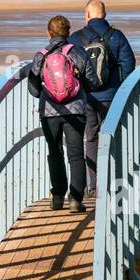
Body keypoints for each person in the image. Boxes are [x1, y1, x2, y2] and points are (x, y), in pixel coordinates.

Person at [71, 0, 136, 195]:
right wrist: (120, 87)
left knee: (91, 138)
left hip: (87, 97)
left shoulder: (76, 38)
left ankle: (95, 186)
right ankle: (114, 185)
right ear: (105, 15)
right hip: (113, 97)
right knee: (114, 138)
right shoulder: (117, 36)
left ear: (87, 15)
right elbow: (129, 64)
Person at [28, 15, 88, 212]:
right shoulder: (76, 52)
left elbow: (34, 88)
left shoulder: (41, 55)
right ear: (68, 32)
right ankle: (76, 200)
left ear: (49, 33)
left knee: (55, 153)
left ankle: (57, 197)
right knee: (76, 154)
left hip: (49, 111)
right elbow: (90, 80)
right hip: (75, 110)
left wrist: (48, 94)